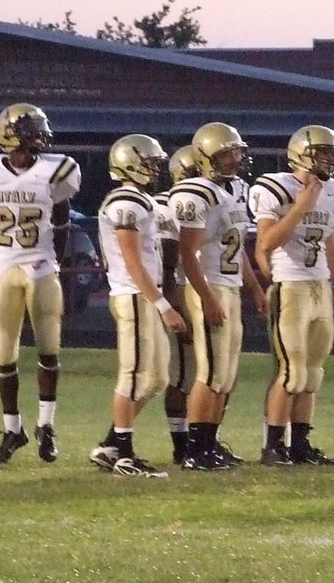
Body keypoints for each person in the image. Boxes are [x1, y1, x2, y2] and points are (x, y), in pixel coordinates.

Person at [0, 103, 81, 465]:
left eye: (39, 128)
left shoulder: (56, 171)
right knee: (3, 354)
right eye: (32, 129)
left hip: (40, 267)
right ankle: (12, 428)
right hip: (4, 268)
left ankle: (46, 427)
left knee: (49, 348)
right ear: (11, 135)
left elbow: (63, 222)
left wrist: (53, 260)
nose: (40, 135)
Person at [250, 124, 334, 466]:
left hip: (320, 285)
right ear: (303, 155)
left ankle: (301, 444)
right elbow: (265, 243)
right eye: (324, 154)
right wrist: (300, 206)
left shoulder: (333, 189)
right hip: (290, 285)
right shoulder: (276, 187)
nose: (330, 161)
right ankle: (273, 445)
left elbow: (332, 243)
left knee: (313, 372)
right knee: (291, 371)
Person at [87, 134, 188, 478]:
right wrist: (163, 304)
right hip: (134, 295)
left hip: (143, 295)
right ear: (129, 163)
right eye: (150, 163)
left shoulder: (138, 200)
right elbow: (132, 262)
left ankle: (111, 444)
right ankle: (124, 455)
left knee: (156, 378)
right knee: (132, 376)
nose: (155, 169)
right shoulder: (125, 202)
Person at [170, 122, 265, 470]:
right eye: (226, 154)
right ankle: (195, 451)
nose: (235, 159)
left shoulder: (237, 189)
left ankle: (209, 444)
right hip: (209, 286)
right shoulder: (197, 192)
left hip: (230, 286)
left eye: (237, 151)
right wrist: (207, 297)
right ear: (207, 158)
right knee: (209, 373)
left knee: (226, 376)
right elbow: (187, 254)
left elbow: (237, 247)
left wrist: (254, 287)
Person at [154, 146, 199, 465]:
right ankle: (182, 445)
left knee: (202, 374)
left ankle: (198, 441)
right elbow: (168, 266)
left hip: (196, 289)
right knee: (181, 375)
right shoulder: (168, 205)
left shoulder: (215, 197)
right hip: (178, 291)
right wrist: (174, 306)